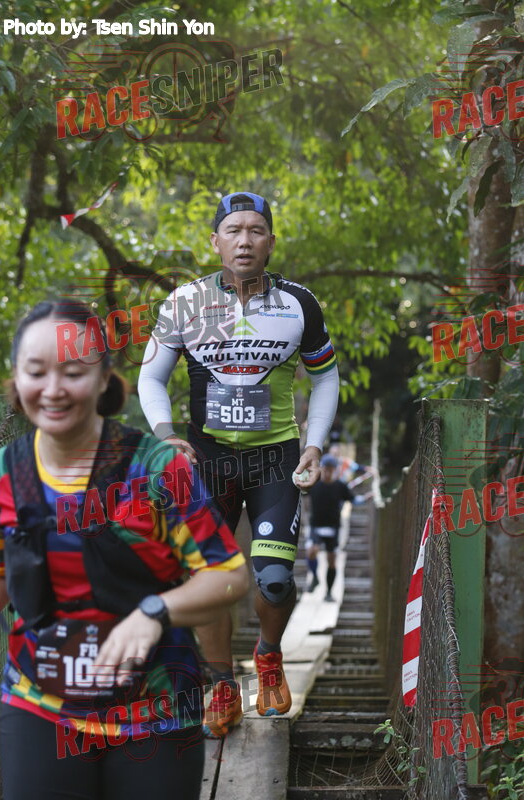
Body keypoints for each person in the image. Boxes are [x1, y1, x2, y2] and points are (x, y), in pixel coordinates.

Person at [0, 300, 248, 800]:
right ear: (16, 381)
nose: (53, 389)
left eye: (72, 372)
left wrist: (155, 611)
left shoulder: (155, 468)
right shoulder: (2, 475)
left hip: (155, 715)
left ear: (104, 378)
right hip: (39, 708)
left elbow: (229, 575)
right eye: (36, 372)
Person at [138, 191, 339, 735]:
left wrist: (315, 443)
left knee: (274, 580)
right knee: (208, 578)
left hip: (276, 459)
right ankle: (222, 684)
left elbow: (326, 377)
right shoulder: (185, 302)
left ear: (271, 241)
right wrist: (165, 435)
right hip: (207, 460)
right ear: (215, 241)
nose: (244, 240)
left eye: (255, 230)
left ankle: (269, 656)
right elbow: (151, 376)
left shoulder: (299, 303)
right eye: (233, 230)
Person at [306, 454, 368, 601]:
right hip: (316, 526)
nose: (328, 472)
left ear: (335, 470)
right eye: (326, 468)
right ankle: (314, 577)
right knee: (312, 551)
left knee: (332, 560)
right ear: (321, 468)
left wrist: (366, 498)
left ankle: (329, 593)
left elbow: (353, 500)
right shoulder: (314, 484)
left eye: (331, 469)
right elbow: (300, 494)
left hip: (333, 528)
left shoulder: (340, 486)